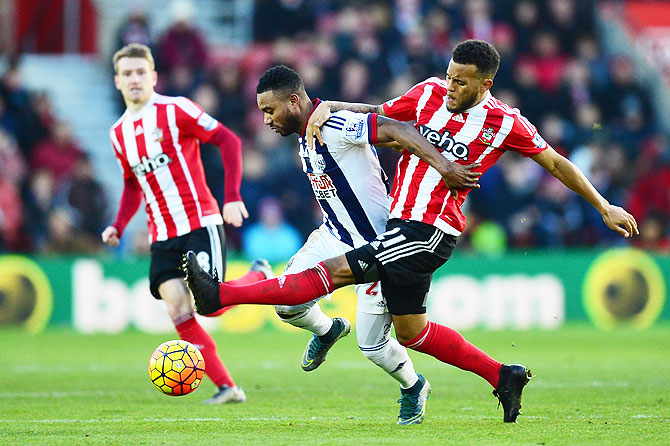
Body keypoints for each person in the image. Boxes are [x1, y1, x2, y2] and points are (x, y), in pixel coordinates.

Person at [183, 40, 638, 423]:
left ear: (486, 84)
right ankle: (504, 375)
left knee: (336, 273)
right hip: (400, 227)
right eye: (449, 75)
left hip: (432, 230)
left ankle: (220, 296)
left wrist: (603, 205)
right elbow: (382, 115)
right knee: (409, 333)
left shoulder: (507, 122)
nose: (451, 86)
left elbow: (555, 162)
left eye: (461, 81)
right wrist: (329, 108)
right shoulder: (427, 94)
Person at [255, 65, 478, 425]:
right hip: (333, 235)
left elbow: (395, 128)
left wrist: (444, 166)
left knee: (373, 347)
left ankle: (413, 386)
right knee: (286, 303)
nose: (266, 120)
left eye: (269, 110)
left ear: (294, 101)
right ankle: (328, 330)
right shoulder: (306, 131)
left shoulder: (333, 125)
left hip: (377, 245)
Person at [101, 43, 264, 404]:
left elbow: (228, 140)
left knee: (212, 305)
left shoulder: (175, 109)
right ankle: (228, 387)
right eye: (127, 73)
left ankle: (258, 277)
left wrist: (232, 196)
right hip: (162, 233)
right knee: (177, 308)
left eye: (141, 72)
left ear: (154, 76)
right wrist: (119, 224)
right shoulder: (118, 134)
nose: (134, 79)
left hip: (198, 221)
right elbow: (132, 184)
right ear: (117, 81)